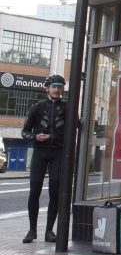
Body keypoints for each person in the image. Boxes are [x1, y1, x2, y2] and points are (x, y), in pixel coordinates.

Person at [20, 75, 68, 243]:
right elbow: (24, 131)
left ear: (62, 89)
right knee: (34, 192)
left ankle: (49, 231)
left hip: (58, 154)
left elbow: (75, 127)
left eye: (60, 87)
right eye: (53, 86)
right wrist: (35, 137)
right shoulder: (38, 107)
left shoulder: (68, 107)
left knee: (55, 192)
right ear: (47, 88)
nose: (56, 89)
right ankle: (32, 230)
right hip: (40, 152)